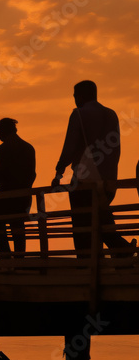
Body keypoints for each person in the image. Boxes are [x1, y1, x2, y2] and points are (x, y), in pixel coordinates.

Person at [53, 80, 134, 258]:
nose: (74, 100)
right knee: (101, 220)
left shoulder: (79, 114)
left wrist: (59, 171)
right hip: (108, 180)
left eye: (75, 96)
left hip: (85, 180)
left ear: (80, 96)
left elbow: (70, 147)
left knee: (83, 227)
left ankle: (91, 262)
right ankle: (122, 251)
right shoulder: (111, 114)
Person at [0, 118, 35, 258]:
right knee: (18, 227)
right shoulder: (28, 148)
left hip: (6, 197)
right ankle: (20, 258)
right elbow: (32, 174)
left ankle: (4, 256)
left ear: (3, 132)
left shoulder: (5, 148)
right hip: (24, 197)